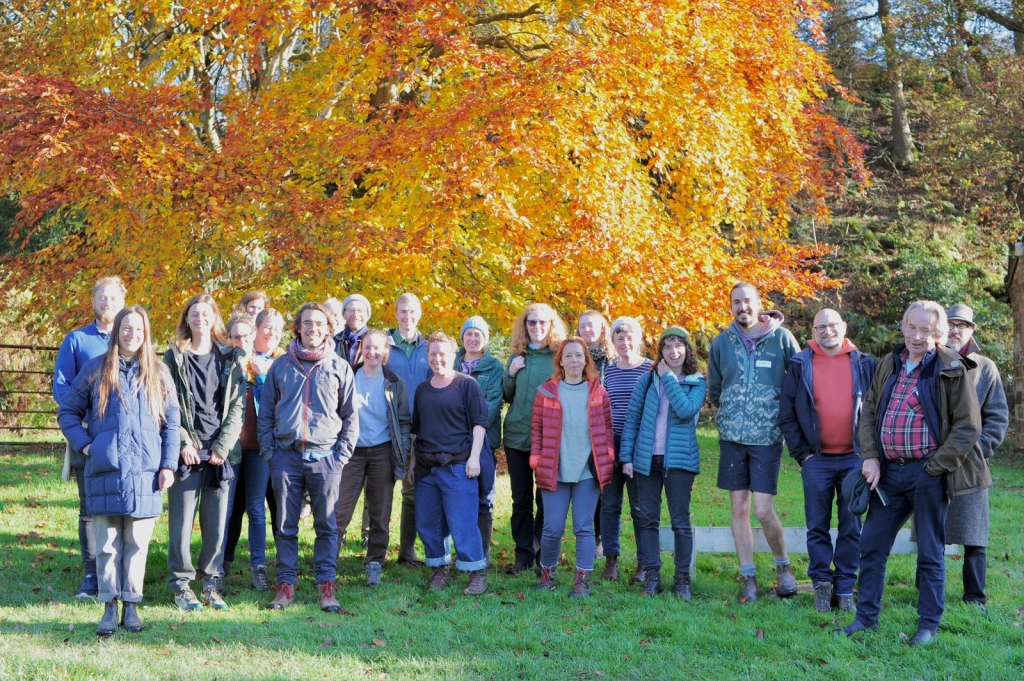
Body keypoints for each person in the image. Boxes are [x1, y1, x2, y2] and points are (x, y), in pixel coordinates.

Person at [842, 301, 980, 646]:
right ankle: (866, 619)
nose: (917, 336)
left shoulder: (951, 367)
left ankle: (928, 625)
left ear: (938, 334)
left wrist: (934, 468)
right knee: (871, 546)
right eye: (912, 328)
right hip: (887, 473)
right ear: (903, 326)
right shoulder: (890, 361)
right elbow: (870, 409)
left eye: (926, 331)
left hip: (927, 474)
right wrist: (871, 456)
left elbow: (967, 427)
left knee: (930, 552)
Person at [58, 306, 179, 635]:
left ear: (146, 333)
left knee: (137, 543)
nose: (132, 334)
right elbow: (68, 411)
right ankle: (109, 606)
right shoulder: (97, 370)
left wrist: (168, 464)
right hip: (105, 469)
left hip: (146, 472)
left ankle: (132, 606)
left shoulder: (158, 372)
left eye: (138, 329)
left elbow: (172, 425)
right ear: (118, 331)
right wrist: (86, 445)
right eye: (127, 328)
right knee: (108, 544)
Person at [258, 303, 359, 612]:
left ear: (328, 328)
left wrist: (340, 456)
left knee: (327, 526)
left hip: (326, 457)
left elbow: (351, 417)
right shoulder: (281, 366)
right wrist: (270, 454)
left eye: (319, 323)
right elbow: (264, 414)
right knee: (285, 525)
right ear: (297, 328)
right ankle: (285, 586)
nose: (313, 328)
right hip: (286, 457)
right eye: (307, 323)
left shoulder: (339, 366)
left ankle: (326, 586)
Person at [779, 309, 877, 612]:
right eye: (820, 326)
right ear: (813, 330)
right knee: (817, 526)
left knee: (851, 525)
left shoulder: (864, 363)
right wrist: (803, 455)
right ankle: (822, 584)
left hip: (854, 459)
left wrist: (871, 453)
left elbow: (876, 410)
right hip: (817, 460)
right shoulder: (800, 363)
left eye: (832, 325)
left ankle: (845, 586)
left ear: (843, 327)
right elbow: (787, 414)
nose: (826, 331)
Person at [708, 282, 800, 603]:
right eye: (736, 302)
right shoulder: (721, 343)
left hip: (767, 437)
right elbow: (715, 388)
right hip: (732, 437)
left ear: (759, 304)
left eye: (747, 301)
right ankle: (748, 576)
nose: (742, 307)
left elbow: (799, 381)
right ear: (730, 306)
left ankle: (783, 567)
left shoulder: (782, 339)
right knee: (738, 506)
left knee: (762, 508)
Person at [163, 293, 246, 612]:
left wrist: (222, 447)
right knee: (181, 524)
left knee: (216, 524)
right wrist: (184, 443)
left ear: (214, 318)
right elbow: (167, 406)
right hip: (187, 452)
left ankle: (211, 582)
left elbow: (238, 406)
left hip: (221, 454)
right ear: (186, 319)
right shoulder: (173, 357)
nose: (200, 318)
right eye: (193, 314)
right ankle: (182, 585)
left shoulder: (231, 357)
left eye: (206, 313)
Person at [53, 275, 127, 600]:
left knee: (125, 504)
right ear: (93, 301)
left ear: (122, 302)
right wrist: (84, 430)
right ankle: (91, 575)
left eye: (113, 298)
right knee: (89, 508)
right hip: (87, 438)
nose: (107, 302)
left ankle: (124, 574)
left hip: (125, 441)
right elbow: (62, 387)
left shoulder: (133, 339)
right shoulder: (77, 340)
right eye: (102, 297)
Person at [619, 328, 706, 599]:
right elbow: (632, 419)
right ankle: (652, 575)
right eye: (667, 346)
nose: (673, 351)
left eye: (678, 345)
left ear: (687, 350)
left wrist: (667, 376)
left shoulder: (695, 382)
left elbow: (685, 409)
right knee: (647, 520)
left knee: (680, 521)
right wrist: (626, 457)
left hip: (679, 461)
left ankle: (682, 578)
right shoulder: (647, 382)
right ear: (661, 352)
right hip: (646, 459)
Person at [531, 337, 616, 597]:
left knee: (583, 526)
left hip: (587, 472)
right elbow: (536, 429)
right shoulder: (546, 391)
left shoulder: (597, 392)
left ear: (586, 360)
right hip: (554, 467)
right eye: (568, 356)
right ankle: (548, 575)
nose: (574, 361)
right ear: (560, 361)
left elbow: (608, 428)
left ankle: (582, 580)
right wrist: (536, 457)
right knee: (552, 527)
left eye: (579, 356)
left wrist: (608, 454)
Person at [412, 332, 489, 595]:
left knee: (462, 522)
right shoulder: (423, 389)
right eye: (432, 353)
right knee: (429, 522)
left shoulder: (466, 385)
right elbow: (417, 429)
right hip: (427, 468)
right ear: (427, 356)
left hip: (458, 465)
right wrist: (415, 464)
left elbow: (479, 424)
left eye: (442, 353)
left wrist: (474, 458)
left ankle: (476, 572)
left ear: (453, 355)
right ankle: (439, 568)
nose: (437, 358)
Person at [334, 329, 411, 586]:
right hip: (351, 452)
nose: (372, 352)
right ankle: (327, 563)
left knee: (380, 512)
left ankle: (375, 562)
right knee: (339, 510)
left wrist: (402, 454)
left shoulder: (394, 382)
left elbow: (403, 421)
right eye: (367, 347)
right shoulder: (348, 375)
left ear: (385, 352)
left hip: (382, 452)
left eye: (377, 348)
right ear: (360, 349)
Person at [944, 304, 1008, 612]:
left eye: (962, 325)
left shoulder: (985, 367)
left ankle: (974, 597)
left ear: (972, 330)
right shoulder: (929, 360)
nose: (956, 330)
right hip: (931, 460)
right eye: (951, 323)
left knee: (974, 534)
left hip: (971, 463)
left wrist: (979, 449)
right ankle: (927, 590)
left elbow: (997, 417)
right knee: (931, 532)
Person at [503, 303, 568, 574]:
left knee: (545, 498)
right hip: (517, 436)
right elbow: (507, 395)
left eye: (542, 322)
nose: (537, 327)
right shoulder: (517, 356)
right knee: (520, 500)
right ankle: (523, 554)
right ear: (525, 325)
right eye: (531, 322)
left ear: (551, 325)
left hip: (548, 439)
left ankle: (543, 550)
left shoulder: (559, 357)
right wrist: (510, 373)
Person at [220, 311, 279, 591]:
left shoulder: (267, 365)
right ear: (229, 339)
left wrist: (261, 373)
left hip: (259, 448)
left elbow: (274, 402)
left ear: (254, 336)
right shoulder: (222, 365)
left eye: (246, 335)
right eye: (236, 336)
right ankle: (220, 565)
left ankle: (259, 567)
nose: (241, 340)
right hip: (230, 450)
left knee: (256, 508)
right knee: (228, 508)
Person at [599, 316, 653, 583]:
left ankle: (644, 563)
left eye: (629, 336)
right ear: (613, 341)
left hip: (641, 445)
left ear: (638, 339)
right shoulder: (607, 371)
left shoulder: (651, 369)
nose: (624, 342)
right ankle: (611, 559)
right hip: (612, 442)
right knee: (609, 504)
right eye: (619, 337)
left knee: (640, 506)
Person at [385, 293, 431, 566]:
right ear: (396, 313)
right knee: (381, 491)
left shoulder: (428, 348)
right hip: (388, 428)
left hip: (419, 430)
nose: (407, 316)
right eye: (403, 310)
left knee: (411, 492)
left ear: (420, 313)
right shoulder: (386, 347)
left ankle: (406, 550)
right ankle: (375, 549)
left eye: (412, 311)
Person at [456, 316, 504, 563]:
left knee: (484, 497)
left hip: (484, 440)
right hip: (452, 442)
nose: (473, 339)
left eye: (478, 335)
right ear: (462, 337)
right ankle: (461, 551)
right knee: (457, 496)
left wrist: (466, 425)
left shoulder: (493, 366)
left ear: (485, 339)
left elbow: (492, 404)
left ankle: (482, 553)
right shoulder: (451, 361)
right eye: (469, 334)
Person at [334, 294, 372, 366]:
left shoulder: (376, 341)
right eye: (351, 310)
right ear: (344, 314)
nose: (355, 315)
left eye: (360, 310)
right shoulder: (335, 342)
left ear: (367, 315)